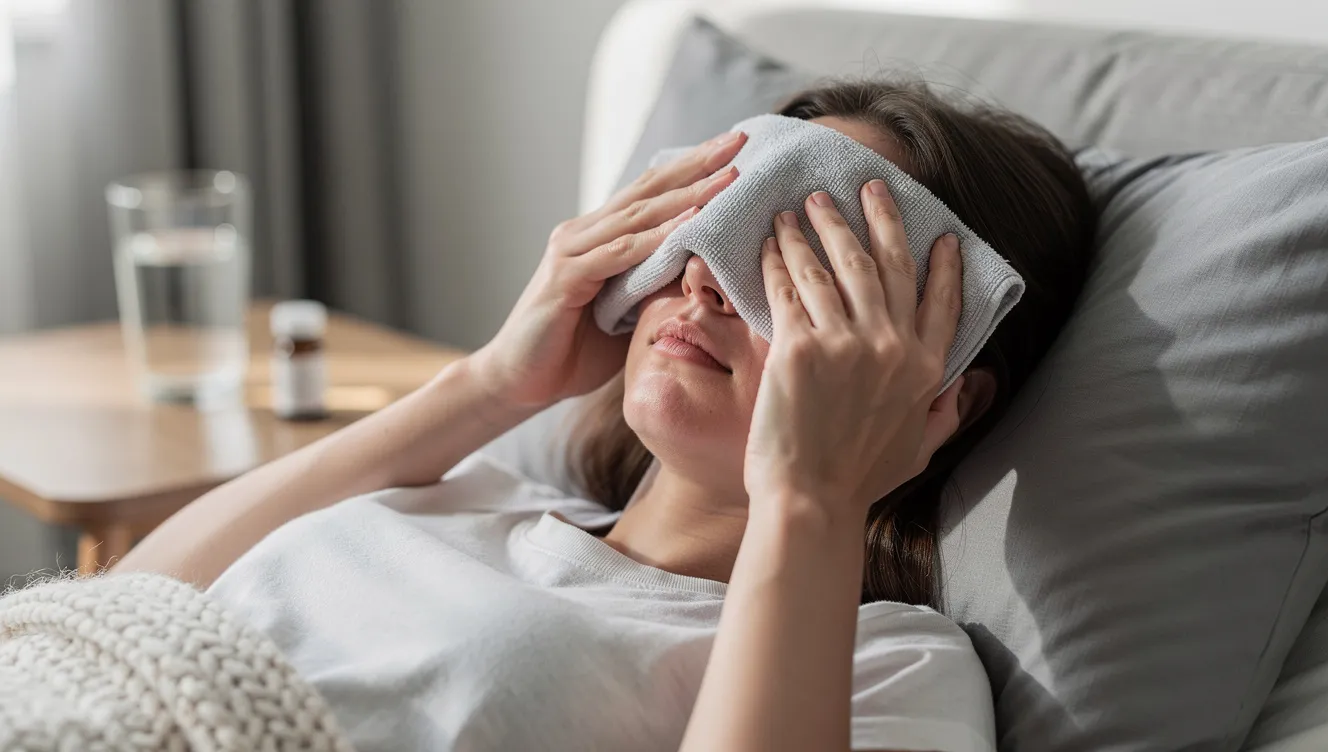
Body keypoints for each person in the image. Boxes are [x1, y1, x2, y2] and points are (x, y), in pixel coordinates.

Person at [115, 80, 1095, 752]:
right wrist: (494, 381)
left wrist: (809, 495)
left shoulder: (888, 664)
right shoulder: (471, 487)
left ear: (941, 393)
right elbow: (118, 612)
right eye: (723, 221)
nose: (707, 275)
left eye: (805, 274)